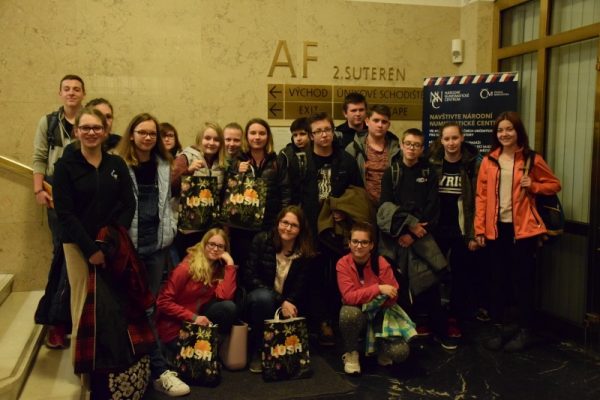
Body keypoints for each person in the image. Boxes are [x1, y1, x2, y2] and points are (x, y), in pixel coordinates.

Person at [53, 107, 153, 398]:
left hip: (112, 247)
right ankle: (85, 378)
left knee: (112, 308)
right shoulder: (65, 167)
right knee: (83, 307)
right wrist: (90, 249)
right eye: (85, 128)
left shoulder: (115, 164)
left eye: (97, 128)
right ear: (76, 132)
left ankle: (108, 370)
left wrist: (110, 241)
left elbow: (128, 204)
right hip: (78, 247)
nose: (91, 133)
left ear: (105, 131)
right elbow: (65, 214)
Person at [475, 111, 561, 352]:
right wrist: (479, 229)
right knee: (497, 281)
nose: (504, 134)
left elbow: (555, 184)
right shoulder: (489, 161)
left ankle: (525, 330)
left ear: (518, 131)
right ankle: (499, 327)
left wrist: (534, 185)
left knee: (522, 281)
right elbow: (481, 197)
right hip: (496, 230)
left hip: (523, 231)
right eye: (500, 130)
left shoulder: (532, 159)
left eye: (509, 129)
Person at [377, 128, 455, 350]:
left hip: (422, 237)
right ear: (401, 145)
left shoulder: (429, 173)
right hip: (397, 238)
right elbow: (385, 207)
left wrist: (414, 233)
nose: (412, 148)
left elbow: (432, 207)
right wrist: (406, 228)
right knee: (400, 286)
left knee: (428, 284)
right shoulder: (391, 172)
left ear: (422, 149)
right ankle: (403, 336)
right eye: (408, 144)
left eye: (417, 145)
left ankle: (439, 332)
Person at [32, 74, 85, 349]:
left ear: (83, 93)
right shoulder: (50, 122)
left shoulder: (90, 120)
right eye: (67, 89)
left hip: (84, 195)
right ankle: (56, 321)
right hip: (55, 195)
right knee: (61, 254)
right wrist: (38, 190)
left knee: (78, 255)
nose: (71, 93)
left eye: (76, 89)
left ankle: (73, 318)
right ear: (60, 93)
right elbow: (39, 157)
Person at [152, 228, 237, 396]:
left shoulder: (217, 268)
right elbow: (163, 302)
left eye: (220, 246)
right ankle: (173, 359)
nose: (215, 249)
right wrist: (193, 317)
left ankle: (204, 356)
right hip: (175, 327)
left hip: (196, 327)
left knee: (228, 308)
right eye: (211, 244)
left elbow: (226, 296)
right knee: (191, 367)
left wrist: (230, 264)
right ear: (204, 244)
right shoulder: (186, 267)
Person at [303, 112, 363, 346]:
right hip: (310, 228)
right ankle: (321, 321)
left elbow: (358, 194)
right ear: (311, 136)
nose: (323, 135)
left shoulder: (346, 160)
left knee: (340, 275)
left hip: (338, 230)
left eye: (327, 130)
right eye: (318, 131)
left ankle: (342, 319)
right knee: (315, 275)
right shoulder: (302, 161)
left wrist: (344, 210)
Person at [243, 206, 316, 373]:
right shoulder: (262, 240)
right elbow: (250, 277)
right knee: (263, 299)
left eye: (294, 225)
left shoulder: (305, 251)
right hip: (261, 299)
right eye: (285, 222)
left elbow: (301, 285)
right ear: (278, 223)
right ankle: (259, 350)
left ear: (300, 229)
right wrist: (281, 301)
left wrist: (290, 301)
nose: (288, 228)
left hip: (289, 302)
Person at [428, 122, 482, 337]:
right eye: (447, 139)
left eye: (455, 138)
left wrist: (473, 233)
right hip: (437, 228)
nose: (451, 143)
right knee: (432, 274)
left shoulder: (472, 164)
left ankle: (455, 318)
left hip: (461, 229)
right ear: (441, 141)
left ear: (462, 138)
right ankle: (434, 317)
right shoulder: (432, 162)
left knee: (461, 275)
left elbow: (478, 201)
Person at [337, 222, 411, 375]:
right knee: (348, 313)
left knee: (400, 353)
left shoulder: (381, 263)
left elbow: (392, 296)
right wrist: (378, 289)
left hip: (381, 315)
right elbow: (349, 297)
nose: (359, 246)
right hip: (358, 314)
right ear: (349, 243)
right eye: (355, 241)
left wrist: (364, 296)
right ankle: (351, 354)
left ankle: (380, 347)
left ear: (371, 245)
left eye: (364, 242)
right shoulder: (343, 264)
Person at [115, 113, 176, 297]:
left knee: (151, 297)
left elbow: (167, 202)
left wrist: (171, 227)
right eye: (142, 132)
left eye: (152, 133)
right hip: (129, 244)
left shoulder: (164, 165)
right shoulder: (118, 164)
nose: (148, 137)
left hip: (156, 245)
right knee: (127, 298)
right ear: (131, 135)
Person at [226, 118, 290, 267]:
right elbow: (227, 191)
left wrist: (281, 222)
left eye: (262, 133)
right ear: (246, 136)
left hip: (269, 225)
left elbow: (286, 193)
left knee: (265, 265)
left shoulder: (277, 161)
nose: (257, 137)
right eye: (253, 133)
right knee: (242, 264)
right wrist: (236, 172)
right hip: (241, 227)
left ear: (268, 137)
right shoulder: (236, 161)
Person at [171, 122, 227, 259]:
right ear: (199, 139)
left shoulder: (221, 163)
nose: (211, 143)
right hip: (187, 229)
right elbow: (170, 188)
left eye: (216, 139)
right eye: (207, 138)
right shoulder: (186, 157)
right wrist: (188, 171)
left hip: (209, 229)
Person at [345, 104, 400, 206]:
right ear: (367, 121)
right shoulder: (353, 148)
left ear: (388, 125)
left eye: (384, 122)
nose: (380, 125)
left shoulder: (397, 150)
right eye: (376, 120)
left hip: (389, 206)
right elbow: (346, 181)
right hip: (362, 205)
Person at [277, 117, 311, 205]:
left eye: (302, 134)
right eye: (295, 135)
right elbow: (283, 184)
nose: (298, 138)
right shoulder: (285, 154)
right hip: (291, 203)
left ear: (311, 134)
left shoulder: (317, 152)